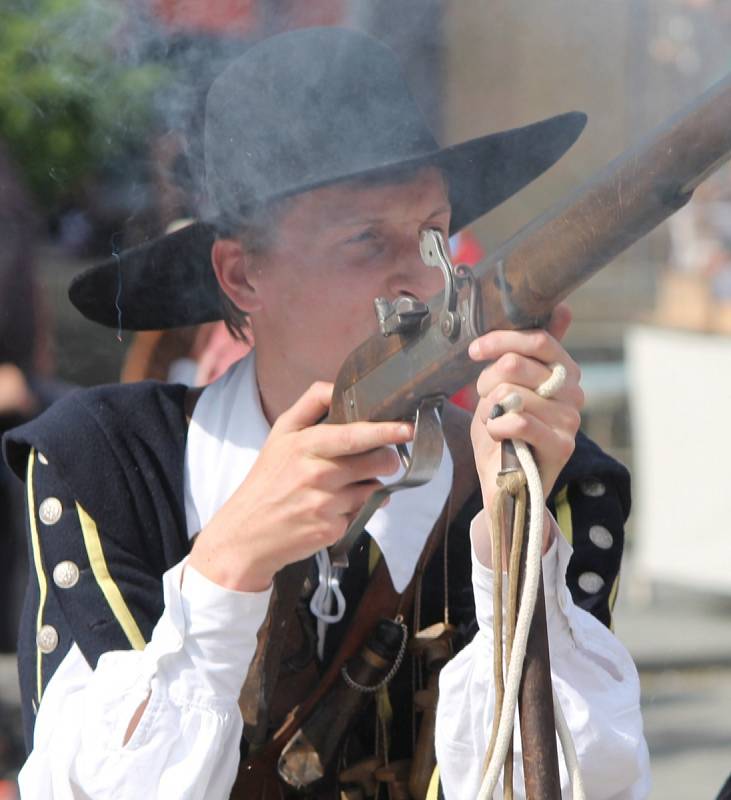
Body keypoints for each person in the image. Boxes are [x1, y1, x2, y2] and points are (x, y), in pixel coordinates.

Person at [3, 27, 650, 799]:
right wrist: (227, 566)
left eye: (433, 234)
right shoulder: (107, 462)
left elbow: (583, 784)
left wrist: (509, 535)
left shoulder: (549, 478)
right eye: (365, 241)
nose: (420, 282)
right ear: (242, 275)